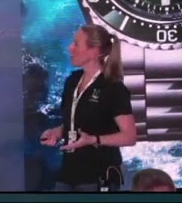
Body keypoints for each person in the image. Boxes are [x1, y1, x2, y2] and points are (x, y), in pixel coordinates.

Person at [39, 24, 137, 192]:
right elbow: (73, 122)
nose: (70, 48)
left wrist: (94, 140)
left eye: (76, 43)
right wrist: (57, 132)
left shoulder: (112, 88)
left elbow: (129, 136)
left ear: (94, 51)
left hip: (98, 175)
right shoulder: (72, 81)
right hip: (68, 172)